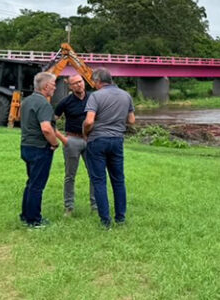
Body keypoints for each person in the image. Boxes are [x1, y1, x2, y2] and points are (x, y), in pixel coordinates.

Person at [83, 68, 135, 229]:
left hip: (97, 140)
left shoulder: (95, 96)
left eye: (94, 82)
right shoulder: (126, 95)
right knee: (118, 180)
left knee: (99, 181)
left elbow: (90, 121)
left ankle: (105, 220)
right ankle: (120, 217)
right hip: (117, 140)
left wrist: (85, 131)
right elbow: (132, 120)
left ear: (98, 81)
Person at [20, 72, 68, 228]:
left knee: (31, 182)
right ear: (46, 86)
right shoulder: (44, 104)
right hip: (40, 148)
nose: (54, 88)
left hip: (26, 145)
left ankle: (25, 215)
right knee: (37, 185)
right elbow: (46, 129)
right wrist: (54, 144)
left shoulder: (26, 101)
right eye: (54, 85)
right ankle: (34, 220)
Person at [54, 74, 96, 215]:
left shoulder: (94, 98)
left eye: (81, 81)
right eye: (75, 83)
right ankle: (69, 207)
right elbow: (51, 121)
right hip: (72, 140)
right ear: (70, 86)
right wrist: (62, 138)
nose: (79, 85)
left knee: (95, 174)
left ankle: (95, 207)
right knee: (70, 175)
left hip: (91, 140)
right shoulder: (65, 102)